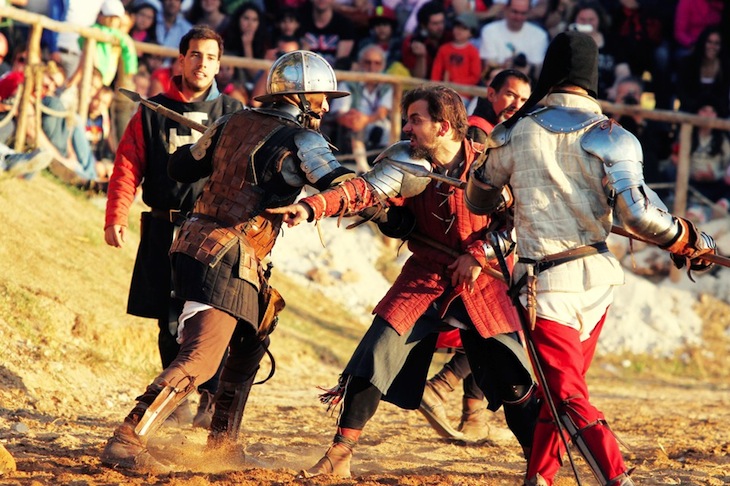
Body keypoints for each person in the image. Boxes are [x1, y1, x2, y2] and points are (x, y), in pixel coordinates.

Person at [465, 30, 717, 486]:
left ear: (550, 72)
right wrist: (685, 236)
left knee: (567, 398)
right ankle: (539, 478)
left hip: (548, 288)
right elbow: (640, 216)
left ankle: (616, 478)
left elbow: (478, 200)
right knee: (561, 394)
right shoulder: (612, 136)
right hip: (599, 280)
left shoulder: (514, 131)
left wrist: (510, 189)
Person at [100, 49, 354, 473]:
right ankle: (127, 440)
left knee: (254, 336)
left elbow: (182, 166)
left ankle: (223, 445)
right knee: (201, 358)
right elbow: (338, 184)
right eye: (321, 97)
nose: (326, 107)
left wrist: (221, 143)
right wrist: (382, 189)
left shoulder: (230, 121)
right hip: (225, 252)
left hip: (204, 245)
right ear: (299, 95)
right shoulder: (303, 139)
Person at [269, 85, 539, 479]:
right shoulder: (408, 161)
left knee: (513, 381)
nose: (407, 127)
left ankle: (539, 463)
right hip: (426, 273)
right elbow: (362, 190)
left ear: (444, 126)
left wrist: (477, 255)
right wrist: (310, 208)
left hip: (482, 283)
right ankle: (339, 455)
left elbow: (517, 222)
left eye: (416, 119)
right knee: (375, 355)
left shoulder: (490, 164)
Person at [103, 26, 244, 433]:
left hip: (216, 234)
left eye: (211, 57)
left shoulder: (234, 114)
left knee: (214, 316)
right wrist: (117, 215)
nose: (203, 64)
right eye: (195, 55)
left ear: (220, 63)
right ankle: (176, 398)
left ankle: (210, 396)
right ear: (181, 60)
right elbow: (128, 165)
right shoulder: (151, 111)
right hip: (164, 229)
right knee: (168, 321)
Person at [417, 68, 532, 442]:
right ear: (491, 92)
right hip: (479, 245)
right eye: (510, 94)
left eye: (523, 99)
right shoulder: (481, 133)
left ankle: (474, 415)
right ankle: (442, 387)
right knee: (495, 328)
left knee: (488, 332)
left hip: (495, 241)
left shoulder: (505, 130)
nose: (516, 104)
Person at [330, 44, 393, 174]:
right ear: (359, 64)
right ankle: (362, 168)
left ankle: (388, 168)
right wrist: (353, 119)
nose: (372, 68)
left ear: (382, 66)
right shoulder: (348, 84)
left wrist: (365, 120)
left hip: (377, 125)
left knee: (389, 128)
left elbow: (382, 111)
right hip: (352, 127)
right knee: (356, 124)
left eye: (377, 63)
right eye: (367, 62)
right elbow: (339, 113)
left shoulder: (388, 85)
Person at [478, 0, 549, 81]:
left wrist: (527, 69)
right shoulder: (489, 30)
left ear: (529, 12)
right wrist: (504, 66)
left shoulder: (540, 35)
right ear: (506, 9)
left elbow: (537, 69)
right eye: (515, 12)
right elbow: (488, 66)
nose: (518, 17)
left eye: (523, 13)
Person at [430, 12, 481, 94]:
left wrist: (455, 83)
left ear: (471, 33)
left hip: (463, 94)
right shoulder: (443, 49)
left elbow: (475, 77)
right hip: (443, 92)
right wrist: (436, 88)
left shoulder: (473, 51)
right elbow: (436, 73)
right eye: (457, 27)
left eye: (464, 28)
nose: (459, 31)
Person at [401, 0, 451, 79]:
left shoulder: (450, 37)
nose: (440, 27)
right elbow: (417, 78)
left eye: (441, 22)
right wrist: (421, 57)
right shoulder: (412, 42)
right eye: (435, 24)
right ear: (424, 25)